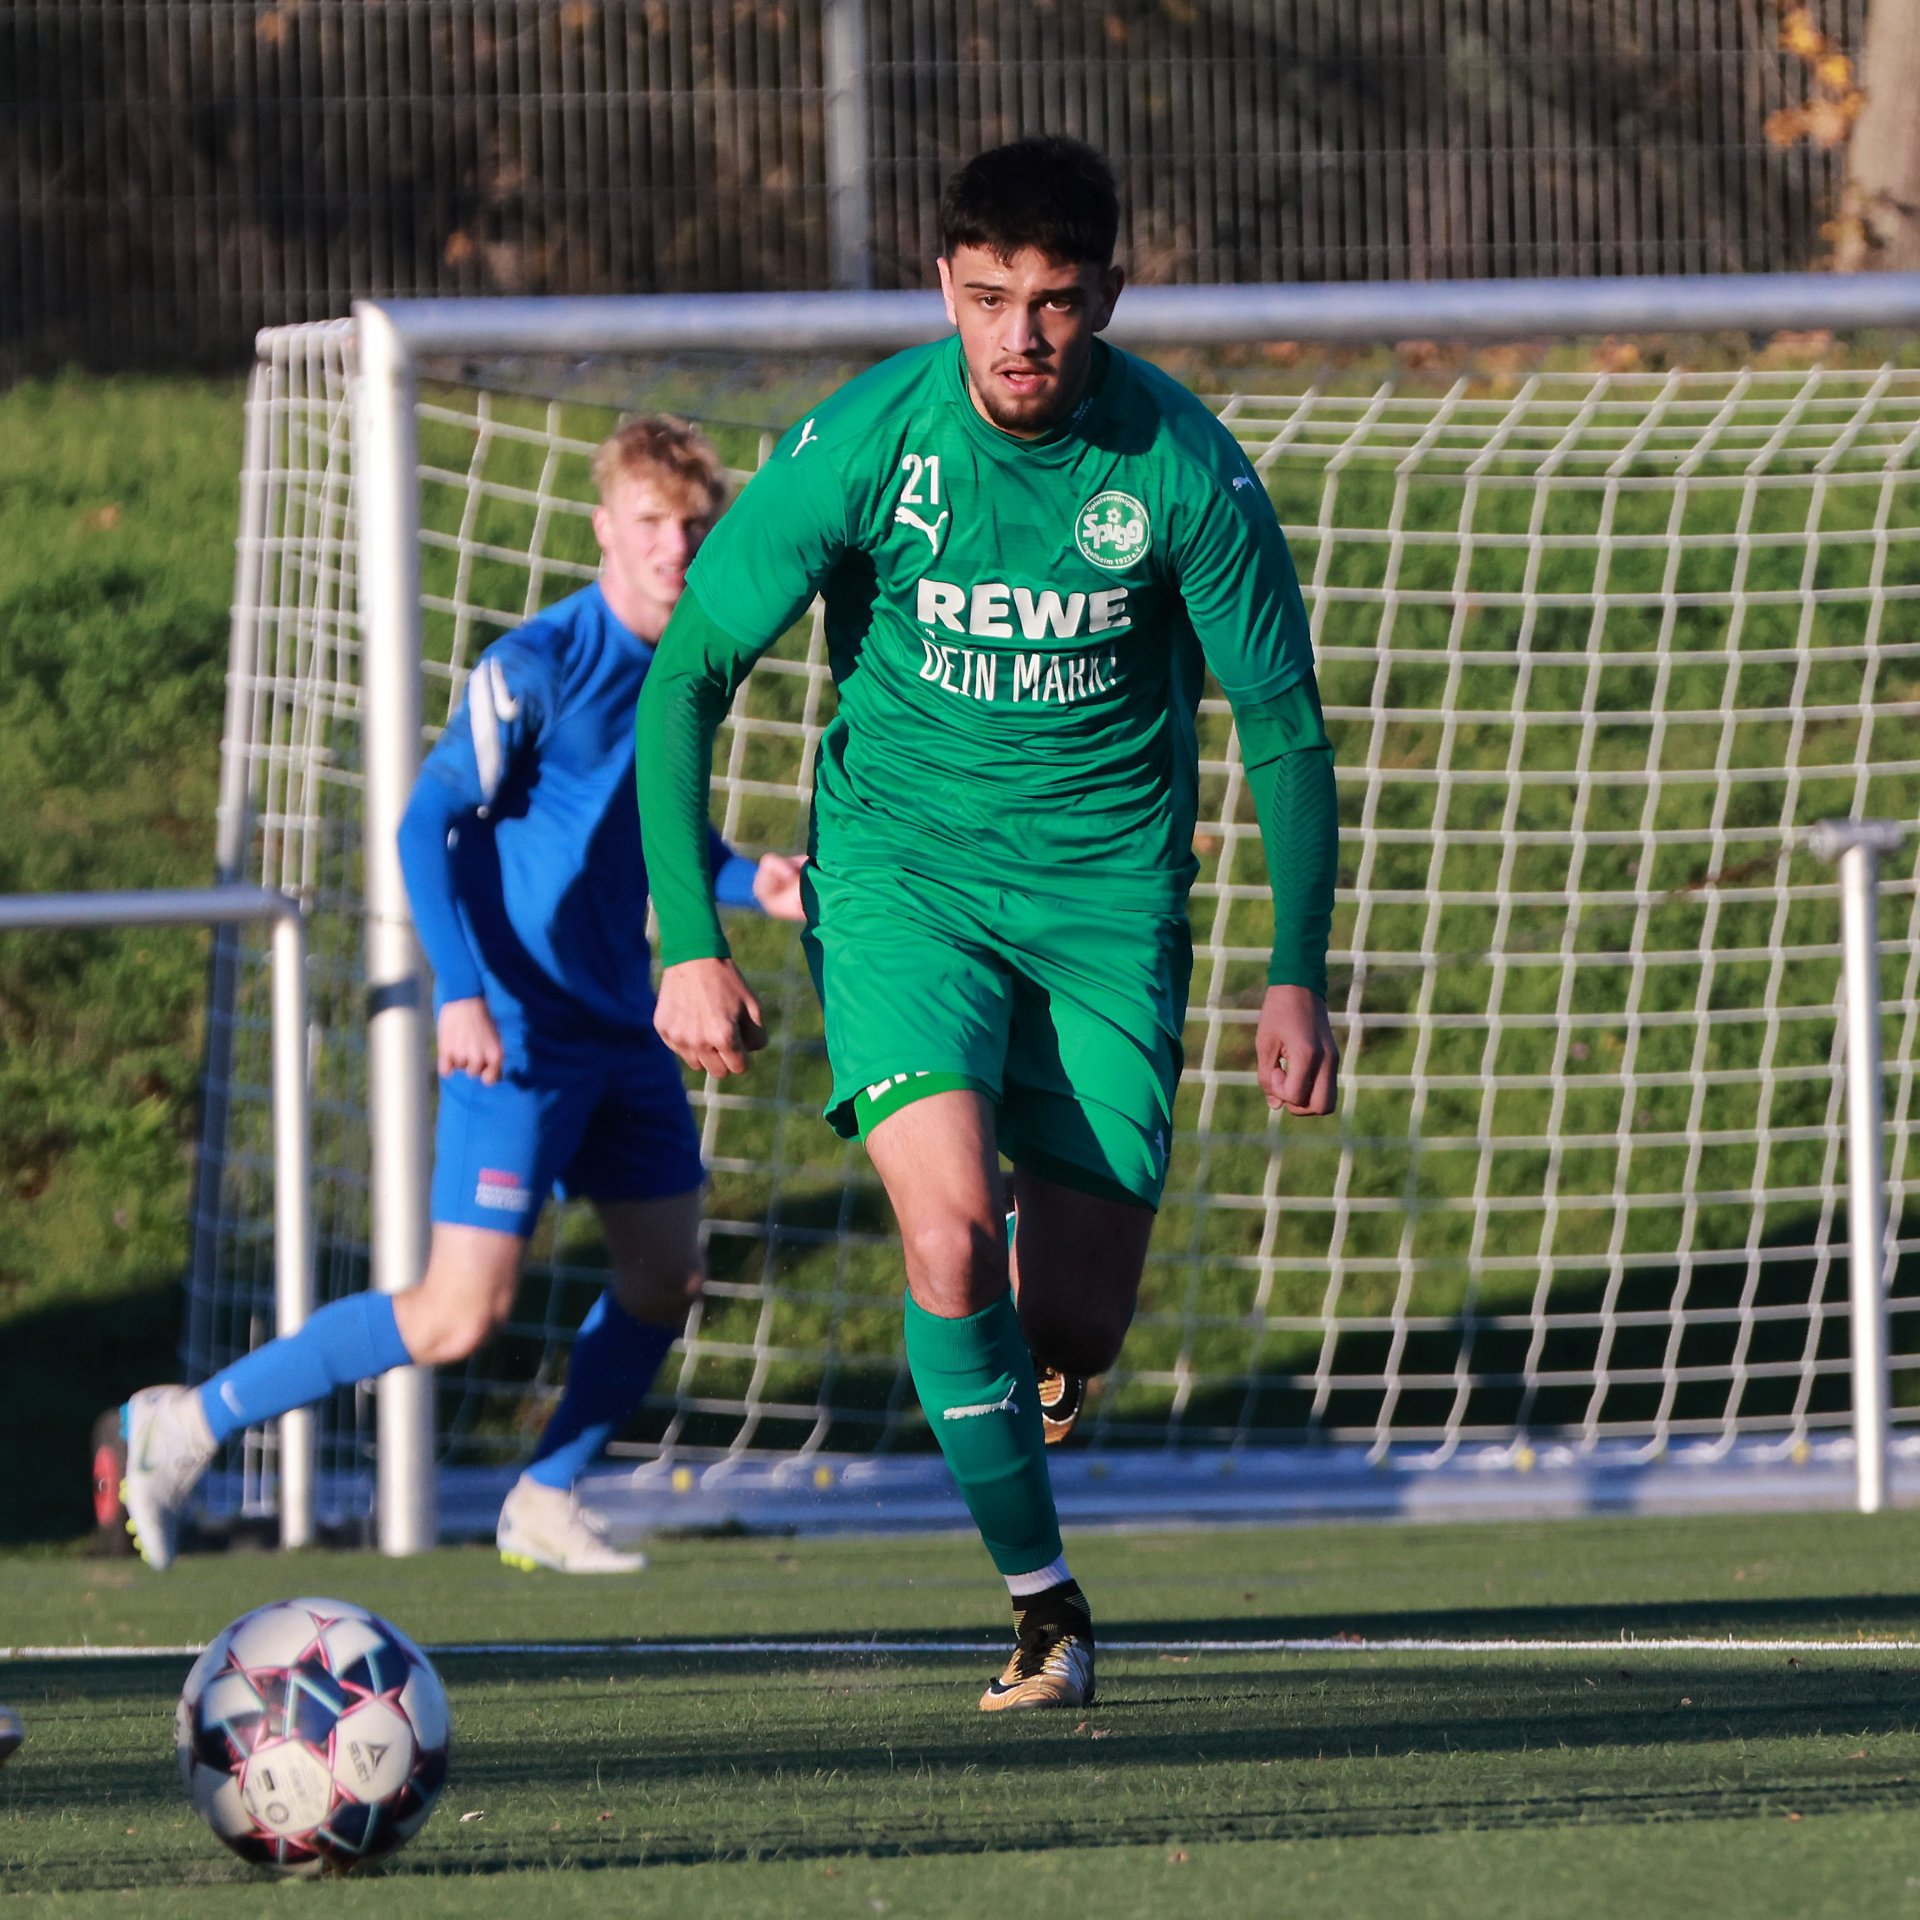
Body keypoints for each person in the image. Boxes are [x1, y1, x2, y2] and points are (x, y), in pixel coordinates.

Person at [634, 138, 1339, 1709]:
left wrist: (1295, 974)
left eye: (1057, 303)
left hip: (1106, 904)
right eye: (989, 298)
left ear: (1110, 297)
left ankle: (1019, 1353)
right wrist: (690, 934)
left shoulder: (1179, 468)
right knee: (946, 1237)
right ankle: (1045, 1606)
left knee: (1071, 1319)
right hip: (902, 888)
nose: (1021, 336)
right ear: (943, 287)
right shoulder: (867, 444)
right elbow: (688, 671)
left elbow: (1283, 729)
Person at [122, 417, 805, 1575]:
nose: (675, 548)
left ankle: (543, 1495)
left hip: (625, 1024)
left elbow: (658, 833)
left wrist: (754, 879)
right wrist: (463, 993)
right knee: (455, 1315)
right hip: (520, 1032)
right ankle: (184, 1423)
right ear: (604, 528)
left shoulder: (690, 663)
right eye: (650, 523)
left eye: (694, 525)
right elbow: (424, 823)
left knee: (666, 1273)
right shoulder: (535, 666)